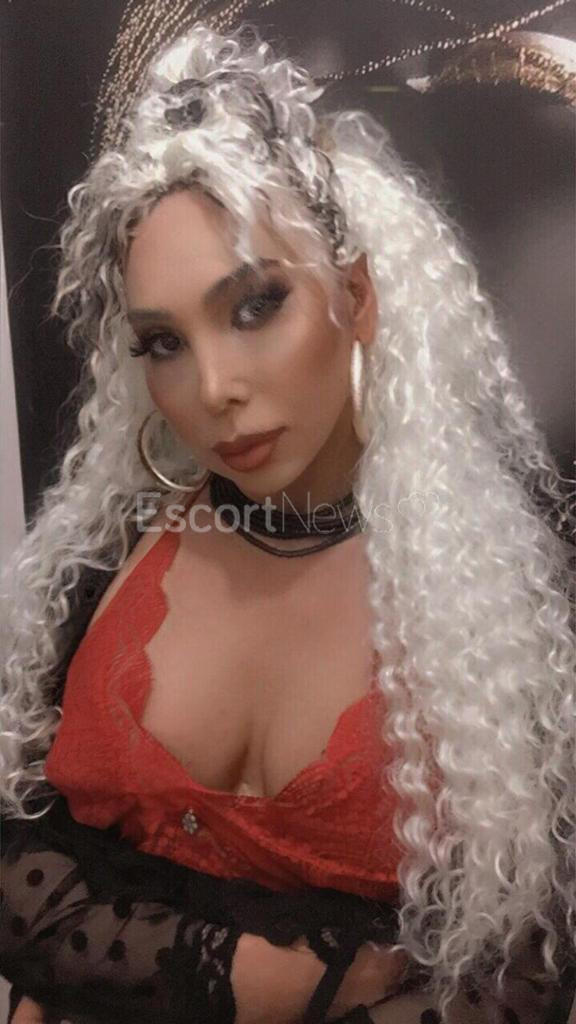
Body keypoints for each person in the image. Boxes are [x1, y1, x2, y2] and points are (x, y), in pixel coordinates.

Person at [1, 20, 575, 1024]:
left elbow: (526, 965)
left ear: (357, 296)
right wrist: (252, 979)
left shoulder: (509, 594)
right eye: (164, 342)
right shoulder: (102, 555)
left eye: (255, 306)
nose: (213, 387)